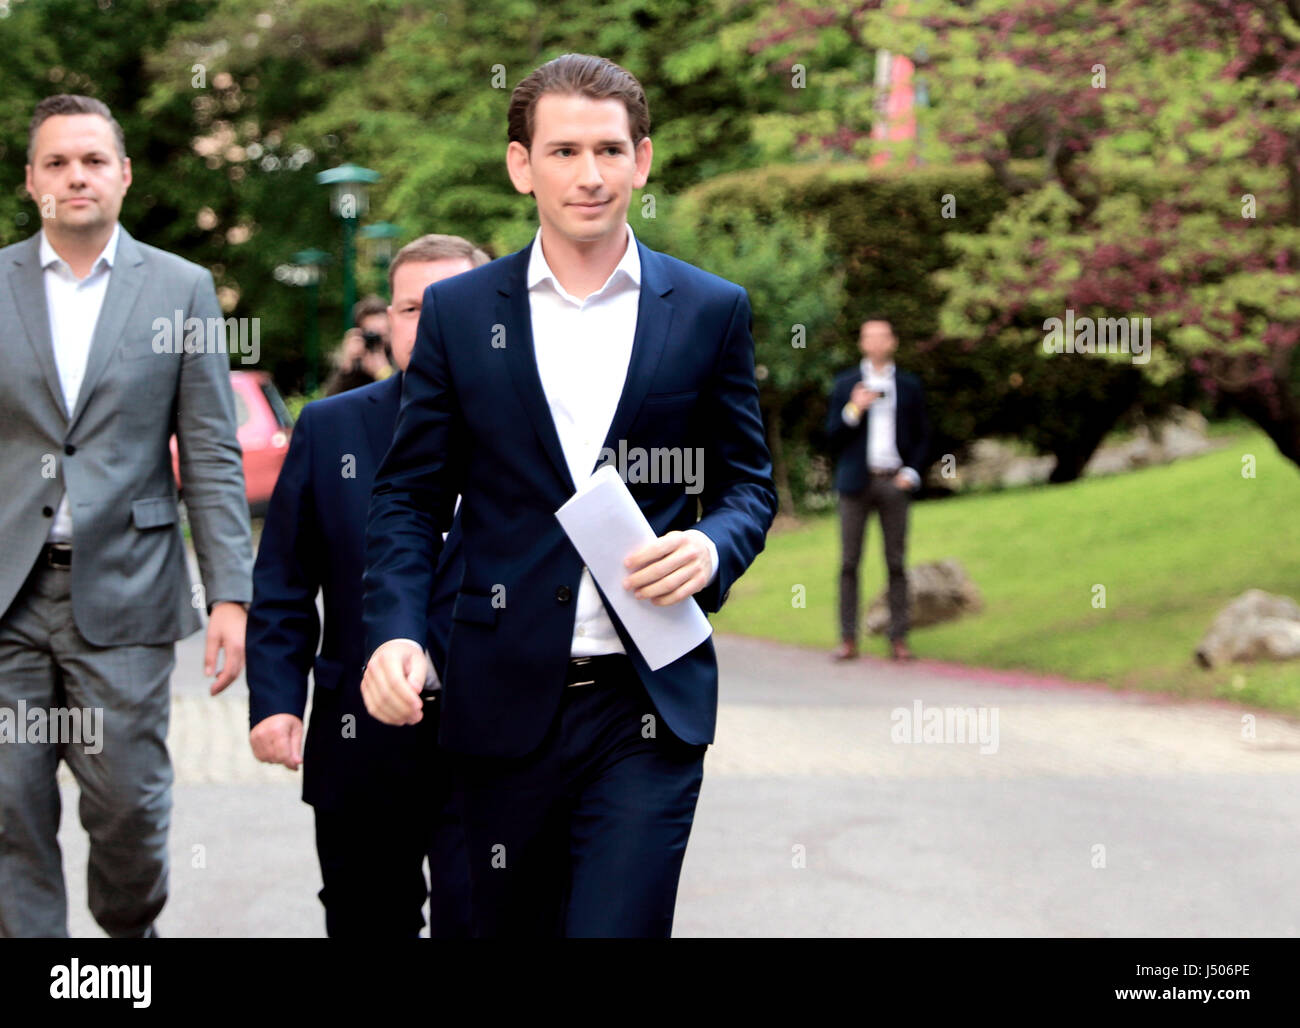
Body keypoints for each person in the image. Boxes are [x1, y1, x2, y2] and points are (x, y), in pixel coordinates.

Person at [361, 53, 777, 938]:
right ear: (522, 166)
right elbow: (409, 496)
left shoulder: (709, 309)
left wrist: (711, 548)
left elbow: (747, 483)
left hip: (647, 708)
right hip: (501, 702)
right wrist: (396, 629)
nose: (590, 175)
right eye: (563, 152)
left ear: (643, 160)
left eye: (609, 150)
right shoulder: (463, 314)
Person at [0, 94, 251, 937]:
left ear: (124, 175)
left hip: (127, 592)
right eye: (59, 162)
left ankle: (126, 940)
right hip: (8, 594)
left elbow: (211, 451)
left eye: (94, 161)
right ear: (33, 179)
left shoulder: (179, 290)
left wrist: (230, 595)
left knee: (129, 812)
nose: (77, 176)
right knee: (9, 807)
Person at [246, 234, 489, 938]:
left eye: (454, 302)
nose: (433, 321)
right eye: (413, 307)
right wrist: (275, 701)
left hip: (494, 741)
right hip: (362, 741)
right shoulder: (330, 428)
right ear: (387, 322)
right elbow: (286, 583)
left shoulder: (535, 430)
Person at [824, 316, 930, 662]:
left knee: (896, 562)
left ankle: (899, 638)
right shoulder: (846, 383)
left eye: (883, 337)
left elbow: (923, 434)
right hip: (855, 483)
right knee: (849, 562)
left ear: (893, 342)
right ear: (861, 343)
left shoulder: (910, 385)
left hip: (893, 481)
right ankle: (847, 638)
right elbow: (831, 437)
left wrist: (911, 472)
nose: (876, 343)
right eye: (869, 337)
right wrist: (854, 408)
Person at [323, 295, 392, 396]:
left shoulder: (400, 357)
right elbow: (330, 403)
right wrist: (346, 369)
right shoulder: (355, 362)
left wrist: (383, 372)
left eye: (382, 334)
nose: (377, 342)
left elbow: (405, 399)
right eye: (371, 334)